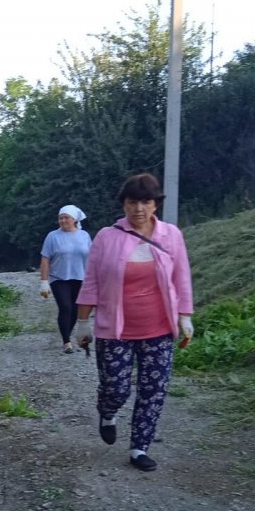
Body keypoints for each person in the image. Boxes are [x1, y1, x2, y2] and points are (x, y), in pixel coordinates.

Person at [76, 173, 194, 472]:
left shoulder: (171, 235)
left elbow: (181, 277)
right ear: (124, 204)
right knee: (116, 387)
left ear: (155, 204)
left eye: (146, 201)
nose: (139, 208)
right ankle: (107, 410)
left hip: (158, 328)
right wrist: (83, 322)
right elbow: (92, 281)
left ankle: (140, 447)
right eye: (132, 202)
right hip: (115, 329)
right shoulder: (107, 236)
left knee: (153, 389)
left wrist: (185, 315)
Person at [38, 205, 92, 354]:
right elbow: (45, 259)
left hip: (80, 277)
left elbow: (92, 257)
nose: (62, 220)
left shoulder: (84, 236)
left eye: (66, 217)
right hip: (59, 278)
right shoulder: (53, 236)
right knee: (65, 307)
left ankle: (67, 332)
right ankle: (66, 341)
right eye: (60, 218)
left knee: (75, 309)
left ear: (74, 219)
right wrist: (44, 282)